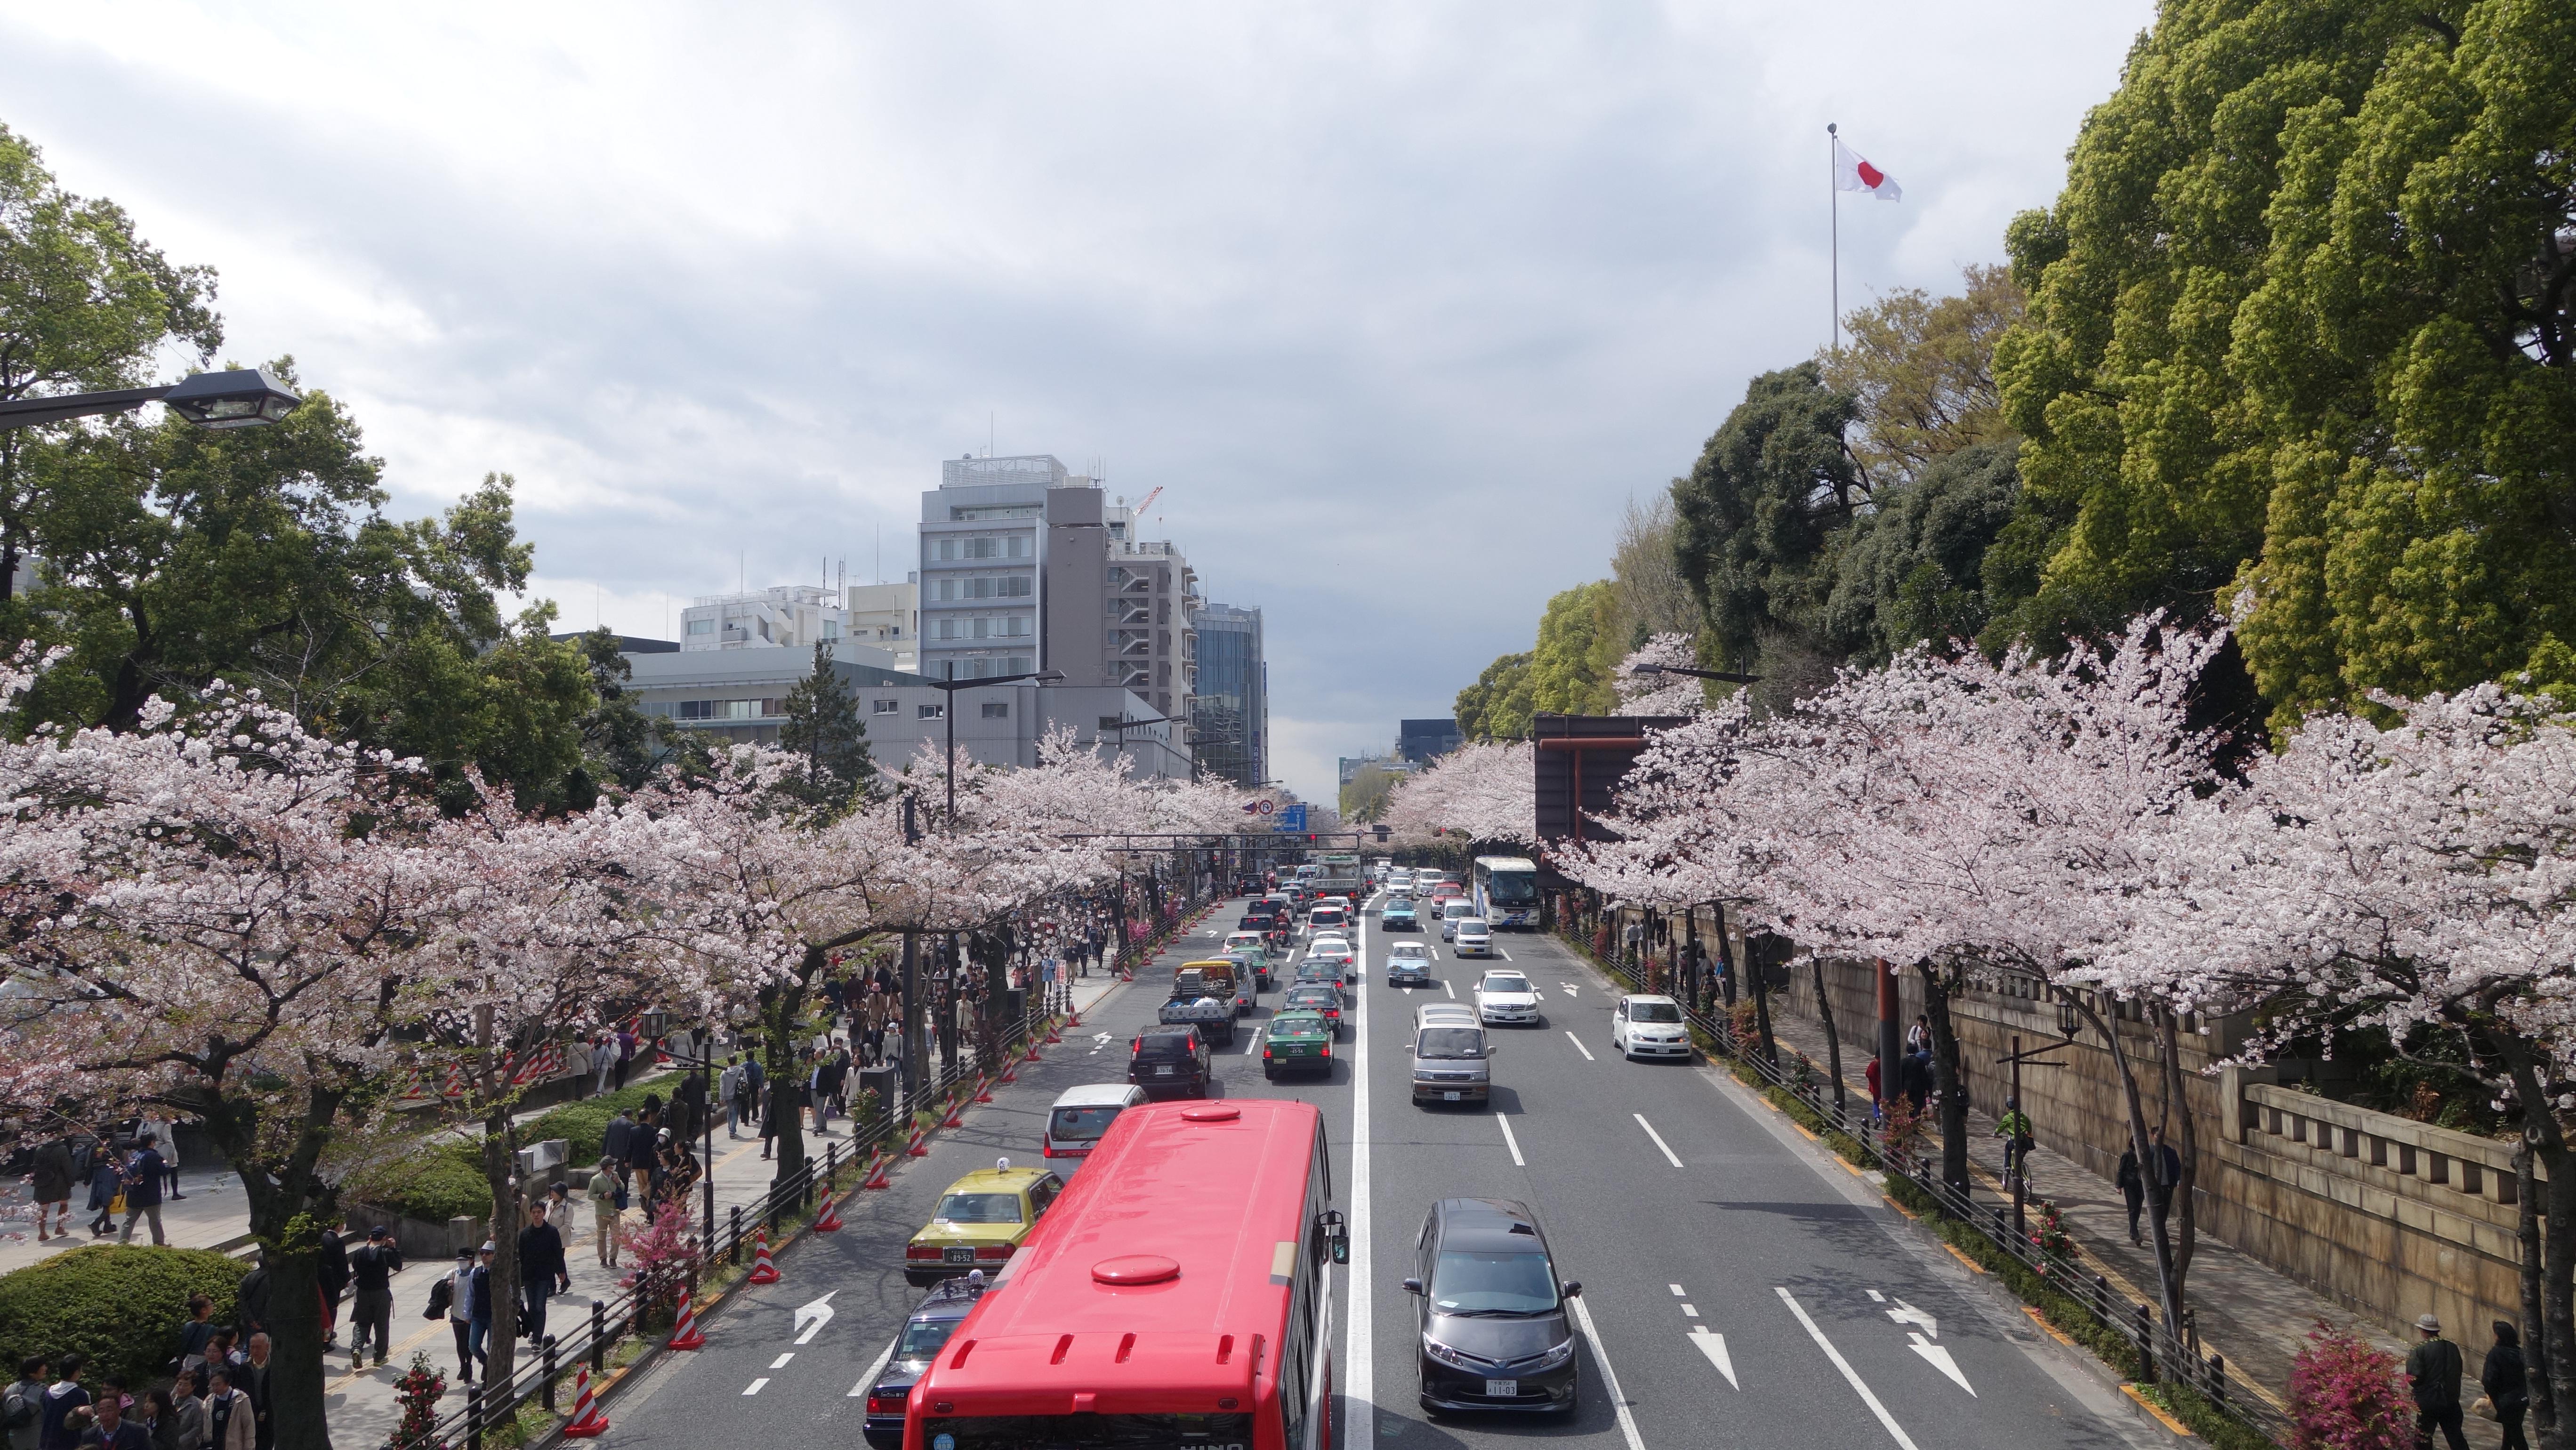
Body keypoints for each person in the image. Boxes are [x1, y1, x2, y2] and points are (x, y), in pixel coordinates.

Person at [2405, 1313, 2470, 1450]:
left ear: (2423, 1331)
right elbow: (2458, 1369)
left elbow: (2414, 1377)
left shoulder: (2419, 1349)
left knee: (2424, 1437)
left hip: (2429, 1401)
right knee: (2456, 1437)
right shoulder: (2452, 1347)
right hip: (2451, 1399)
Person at [347, 1225, 403, 1370]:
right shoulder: (386, 1252)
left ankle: (357, 1348)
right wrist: (393, 1248)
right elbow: (398, 1266)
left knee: (361, 1323)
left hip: (363, 1292)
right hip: (380, 1293)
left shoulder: (360, 1252)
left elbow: (355, 1267)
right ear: (385, 1239)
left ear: (370, 1238)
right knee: (381, 1324)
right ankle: (379, 1357)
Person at [516, 1204, 567, 1345]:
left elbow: (558, 1253)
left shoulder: (551, 1232)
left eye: (539, 1212)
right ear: (531, 1214)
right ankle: (533, 1330)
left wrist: (562, 1272)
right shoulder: (525, 1234)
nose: (536, 1215)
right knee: (531, 1307)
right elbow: (522, 1255)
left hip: (545, 1275)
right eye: (534, 1212)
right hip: (529, 1276)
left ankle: (537, 1339)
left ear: (544, 1213)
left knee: (540, 1306)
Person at [2483, 1320, 2530, 1450]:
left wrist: (2490, 1394)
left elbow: (2490, 1378)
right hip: (2522, 1398)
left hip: (2504, 1399)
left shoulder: (2496, 1353)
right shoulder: (2521, 1353)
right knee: (2510, 1429)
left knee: (2515, 1432)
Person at [35, 1354, 87, 1450]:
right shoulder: (81, 1395)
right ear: (77, 1372)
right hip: (70, 1443)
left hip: (46, 1443)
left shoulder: (48, 1393)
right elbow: (86, 1423)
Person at [314, 1218, 349, 1347]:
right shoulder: (337, 1241)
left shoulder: (322, 1238)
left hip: (319, 1278)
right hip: (333, 1280)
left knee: (322, 1308)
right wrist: (346, 1279)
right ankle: (327, 1337)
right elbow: (342, 1263)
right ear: (339, 1226)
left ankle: (324, 1332)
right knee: (332, 1308)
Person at [29, 1138, 73, 1242]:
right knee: (63, 1204)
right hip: (59, 1180)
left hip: (42, 1179)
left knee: (44, 1207)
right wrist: (71, 1181)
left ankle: (42, 1233)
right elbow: (67, 1166)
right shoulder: (62, 1149)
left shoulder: (40, 1148)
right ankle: (60, 1227)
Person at [76, 1386, 147, 1450]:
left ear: (119, 1410)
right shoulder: (89, 1436)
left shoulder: (138, 1431)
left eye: (109, 1410)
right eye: (101, 1411)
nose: (105, 1415)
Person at [233, 1338, 272, 1450]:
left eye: (258, 1347)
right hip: (250, 1413)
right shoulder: (244, 1368)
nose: (254, 1351)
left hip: (270, 1415)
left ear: (267, 1347)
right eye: (252, 1347)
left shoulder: (274, 1367)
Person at [2148, 1125, 2183, 1242]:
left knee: (2165, 1209)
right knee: (2156, 1210)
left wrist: (2178, 1180)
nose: (2160, 1138)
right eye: (2158, 1136)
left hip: (2167, 1186)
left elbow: (2177, 1167)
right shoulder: (2149, 1151)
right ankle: (2159, 1232)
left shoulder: (2170, 1152)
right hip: (2154, 1187)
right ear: (2153, 1136)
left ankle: (2160, 1230)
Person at [197, 1374, 249, 1450]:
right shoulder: (209, 1400)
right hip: (212, 1444)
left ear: (227, 1383)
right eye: (212, 1385)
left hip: (233, 1444)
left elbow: (249, 1425)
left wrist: (249, 1447)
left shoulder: (241, 1399)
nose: (215, 1388)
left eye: (218, 1385)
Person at [588, 1160, 623, 1268]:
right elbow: (590, 1195)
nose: (614, 1167)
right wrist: (602, 1196)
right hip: (602, 1213)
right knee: (601, 1237)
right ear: (608, 1167)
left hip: (615, 1211)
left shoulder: (615, 1175)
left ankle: (613, 1258)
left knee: (616, 1236)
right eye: (612, 1165)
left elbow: (623, 1189)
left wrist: (618, 1182)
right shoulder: (596, 1180)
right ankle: (603, 1258)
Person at [6, 1357, 47, 1450]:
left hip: (14, 1436)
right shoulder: (42, 1391)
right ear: (32, 1373)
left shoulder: (10, 1389)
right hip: (36, 1438)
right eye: (42, 1367)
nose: (45, 1368)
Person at [1995, 1097, 2036, 1187]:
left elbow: (2001, 1127)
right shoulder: (2025, 1118)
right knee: (2020, 1158)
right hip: (2026, 1143)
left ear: (2008, 1107)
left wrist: (1996, 1134)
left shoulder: (2008, 1118)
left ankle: (2008, 1167)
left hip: (2015, 1141)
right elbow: (2029, 1129)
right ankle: (2021, 1171)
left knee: (2008, 1147)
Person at [85, 1145, 123, 1239]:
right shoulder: (114, 1143)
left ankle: (108, 1225)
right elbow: (120, 1159)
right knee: (110, 1200)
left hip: (98, 1174)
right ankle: (96, 1223)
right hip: (111, 1173)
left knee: (105, 1199)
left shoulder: (95, 1146)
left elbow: (89, 1164)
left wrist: (87, 1180)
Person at [232, 1256, 271, 1345]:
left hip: (249, 1322)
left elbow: (242, 1301)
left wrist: (251, 1320)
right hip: (266, 1322)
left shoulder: (247, 1278)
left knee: (249, 1346)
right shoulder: (271, 1279)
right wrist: (260, 1321)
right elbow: (269, 1302)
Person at [176, 1297, 218, 1378]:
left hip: (187, 1360)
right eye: (211, 1304)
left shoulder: (187, 1326)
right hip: (202, 1361)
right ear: (203, 1310)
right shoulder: (211, 1328)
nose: (213, 1306)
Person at [160, 1375, 204, 1450]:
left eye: (186, 1385)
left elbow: (198, 1427)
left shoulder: (197, 1404)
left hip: (188, 1446)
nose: (181, 1388)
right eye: (180, 1384)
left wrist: (180, 1441)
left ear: (193, 1387)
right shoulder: (170, 1400)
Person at [2117, 1143, 2147, 1247]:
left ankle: (2132, 1231)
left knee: (2138, 1209)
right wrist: (2119, 1186)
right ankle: (2136, 1234)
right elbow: (2121, 1171)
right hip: (2129, 1185)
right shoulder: (2127, 1155)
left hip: (2141, 1185)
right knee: (2132, 1209)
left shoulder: (2144, 1155)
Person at [717, 1056, 743, 1139]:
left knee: (730, 1112)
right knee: (735, 1113)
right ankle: (732, 1131)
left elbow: (722, 1086)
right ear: (736, 1061)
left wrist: (721, 1097)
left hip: (728, 1096)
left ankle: (730, 1128)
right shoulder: (741, 1070)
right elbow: (745, 1082)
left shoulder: (724, 1073)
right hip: (737, 1095)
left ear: (728, 1062)